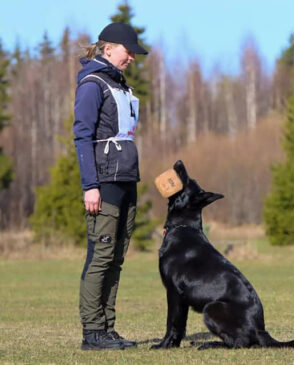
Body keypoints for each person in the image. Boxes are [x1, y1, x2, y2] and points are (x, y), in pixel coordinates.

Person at [73, 22, 148, 351]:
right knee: (100, 256)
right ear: (108, 49)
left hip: (126, 178)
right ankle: (92, 333)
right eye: (127, 51)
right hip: (103, 182)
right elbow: (82, 136)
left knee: (116, 257)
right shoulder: (93, 84)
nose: (132, 57)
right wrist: (90, 185)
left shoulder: (121, 85)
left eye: (134, 53)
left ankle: (108, 329)